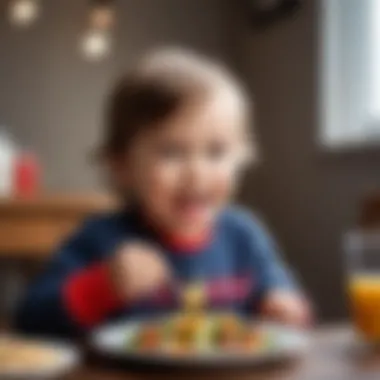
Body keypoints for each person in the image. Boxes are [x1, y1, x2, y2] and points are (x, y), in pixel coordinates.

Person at [15, 48, 311, 337]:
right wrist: (103, 286)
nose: (197, 173)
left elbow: (282, 298)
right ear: (122, 165)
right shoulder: (100, 240)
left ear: (243, 157)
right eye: (172, 152)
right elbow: (30, 317)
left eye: (216, 152)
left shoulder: (244, 237)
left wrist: (283, 308)